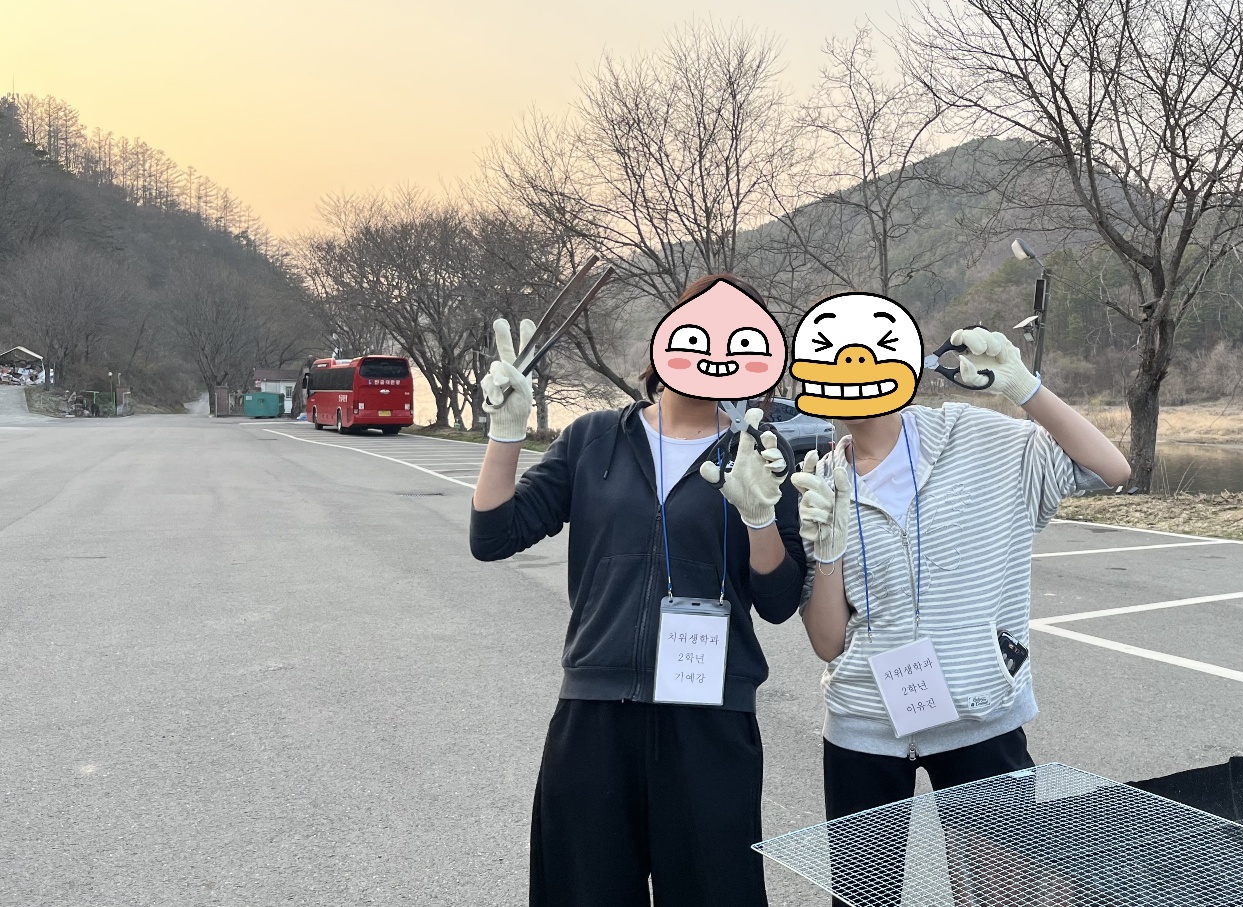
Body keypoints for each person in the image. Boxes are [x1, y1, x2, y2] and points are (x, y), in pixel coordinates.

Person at [469, 275, 807, 907]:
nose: (715, 353)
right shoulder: (593, 438)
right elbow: (493, 536)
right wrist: (505, 432)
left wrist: (760, 518)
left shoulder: (760, 452)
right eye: (699, 333)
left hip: (711, 718)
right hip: (595, 714)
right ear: (665, 340)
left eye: (740, 340)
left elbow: (780, 601)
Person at [793, 325, 1132, 904]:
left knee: (1001, 894)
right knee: (861, 899)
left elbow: (1110, 469)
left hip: (982, 718)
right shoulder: (820, 480)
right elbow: (827, 641)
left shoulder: (978, 438)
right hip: (863, 725)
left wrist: (1026, 389)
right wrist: (826, 552)